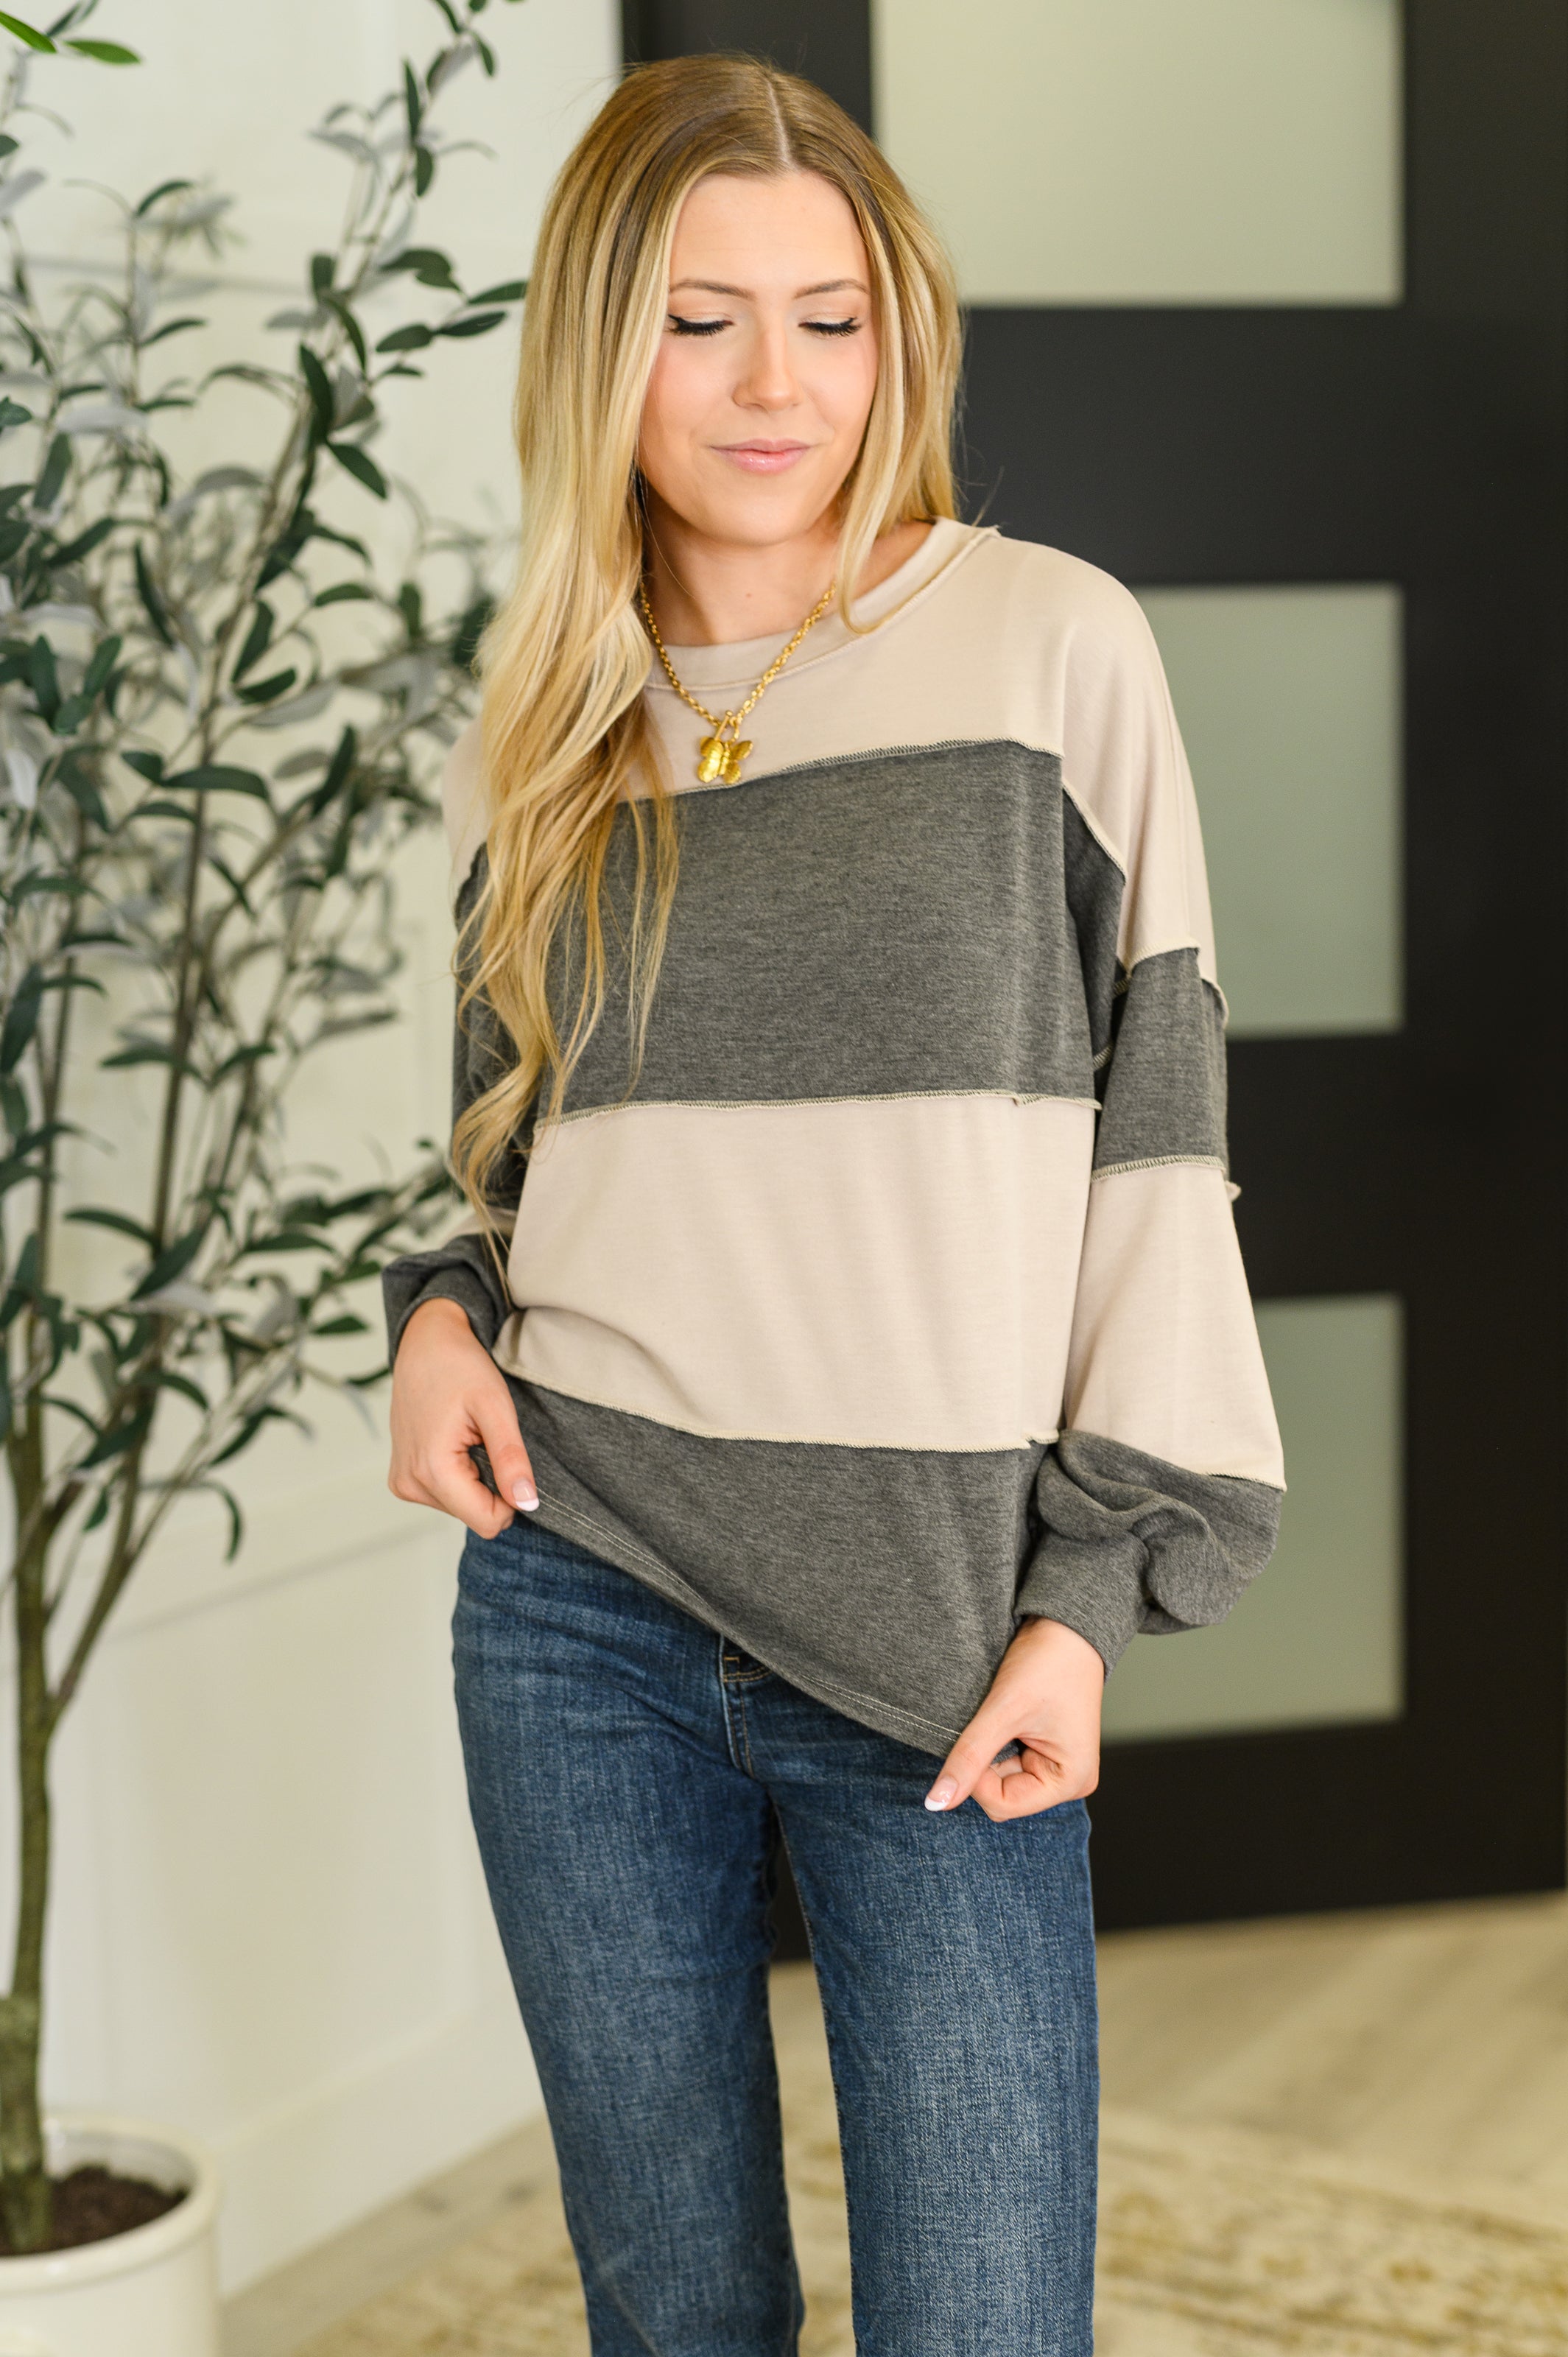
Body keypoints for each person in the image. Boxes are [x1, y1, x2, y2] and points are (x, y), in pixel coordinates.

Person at [382, 52, 1283, 2357]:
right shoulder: (555, 715)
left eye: (834, 315)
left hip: (942, 1632)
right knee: (669, 2309)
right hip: (576, 1602)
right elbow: (507, 1127)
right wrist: (437, 1312)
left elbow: (1158, 1142)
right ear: (601, 344)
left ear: (902, 340)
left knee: (983, 2324)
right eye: (700, 318)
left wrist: (1091, 1600)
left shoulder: (1046, 646)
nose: (776, 381)